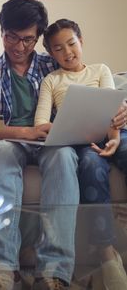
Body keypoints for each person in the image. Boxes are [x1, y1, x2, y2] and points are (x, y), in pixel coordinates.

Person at [0, 0, 80, 290]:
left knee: (64, 156)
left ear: (38, 39)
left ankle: (55, 271)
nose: (19, 47)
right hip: (11, 141)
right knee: (2, 154)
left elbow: (84, 98)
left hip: (51, 141)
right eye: (12, 38)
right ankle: (5, 268)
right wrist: (27, 133)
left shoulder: (53, 66)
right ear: (2, 32)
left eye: (28, 40)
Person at [35, 18, 127, 290]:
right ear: (51, 54)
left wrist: (113, 139)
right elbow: (41, 125)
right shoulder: (51, 80)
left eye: (71, 43)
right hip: (81, 142)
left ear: (81, 41)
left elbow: (113, 109)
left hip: (114, 134)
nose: (67, 52)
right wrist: (62, 125)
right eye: (58, 49)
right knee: (90, 162)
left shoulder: (101, 70)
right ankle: (106, 253)